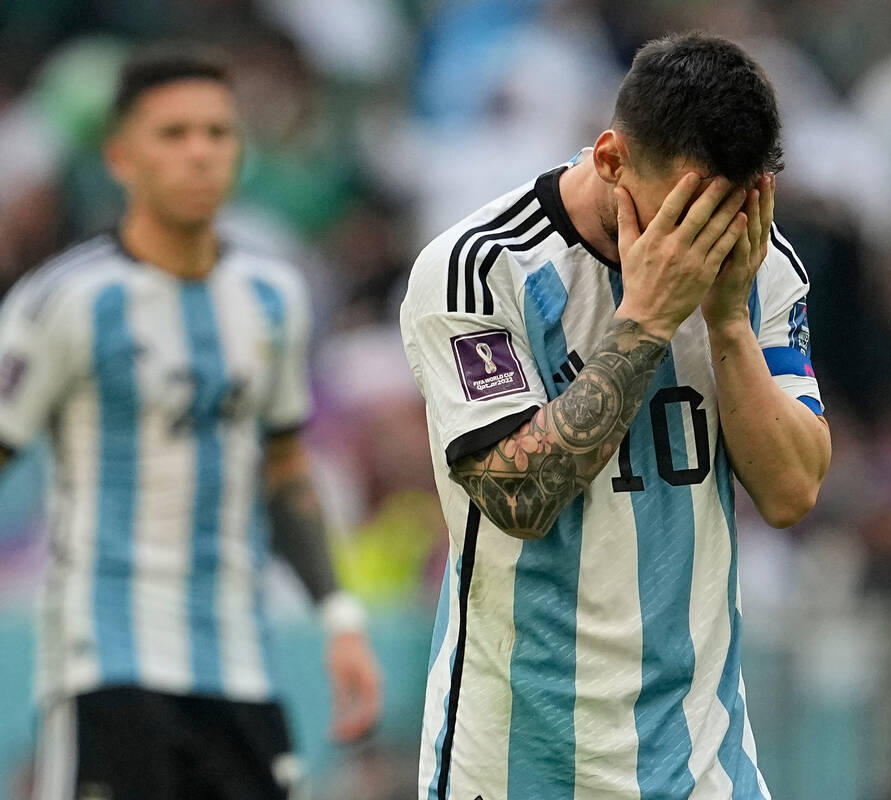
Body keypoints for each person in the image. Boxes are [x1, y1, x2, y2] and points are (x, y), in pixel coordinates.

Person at [400, 31, 832, 799]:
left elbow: (792, 490)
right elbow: (516, 500)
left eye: (733, 211)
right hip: (514, 765)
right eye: (685, 212)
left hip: (701, 762)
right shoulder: (479, 269)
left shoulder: (761, 268)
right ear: (610, 159)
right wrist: (647, 324)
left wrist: (729, 324)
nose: (709, 240)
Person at [0, 47, 381, 799]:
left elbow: (284, 469)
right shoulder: (65, 302)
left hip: (238, 659)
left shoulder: (274, 297)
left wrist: (337, 616)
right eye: (173, 134)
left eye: (218, 133)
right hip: (106, 659)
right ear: (120, 156)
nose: (200, 153)